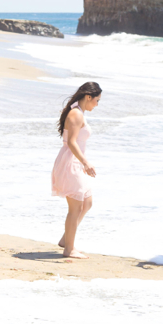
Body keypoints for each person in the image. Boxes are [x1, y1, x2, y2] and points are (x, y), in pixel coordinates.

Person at [52, 82, 102, 259]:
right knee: (75, 207)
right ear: (88, 97)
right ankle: (69, 250)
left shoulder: (78, 112)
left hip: (76, 162)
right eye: (96, 100)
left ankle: (67, 240)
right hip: (71, 163)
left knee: (87, 203)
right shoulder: (76, 114)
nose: (97, 104)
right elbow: (72, 142)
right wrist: (85, 162)